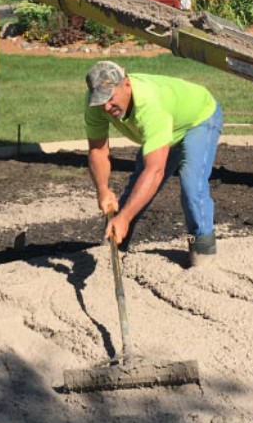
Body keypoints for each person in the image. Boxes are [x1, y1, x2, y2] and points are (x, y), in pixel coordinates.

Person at [84, 61, 224, 268]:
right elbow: (97, 149)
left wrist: (123, 217)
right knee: (136, 187)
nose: (105, 106)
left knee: (191, 185)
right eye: (100, 100)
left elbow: (155, 170)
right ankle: (116, 241)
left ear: (127, 85)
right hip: (166, 123)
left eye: (110, 98)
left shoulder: (150, 103)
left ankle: (202, 245)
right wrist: (102, 190)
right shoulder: (95, 105)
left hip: (197, 119)